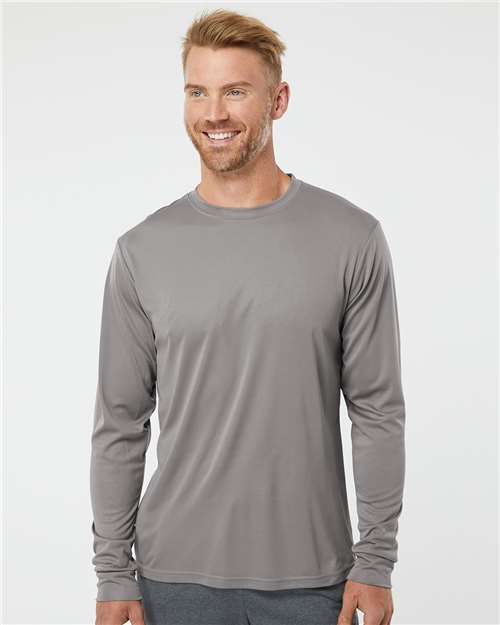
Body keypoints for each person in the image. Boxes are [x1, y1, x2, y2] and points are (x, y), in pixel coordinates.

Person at [90, 8, 406, 625]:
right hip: (171, 580)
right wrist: (112, 572)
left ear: (277, 100)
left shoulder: (351, 238)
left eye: (235, 91)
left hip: (315, 581)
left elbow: (376, 411)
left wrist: (375, 561)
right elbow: (120, 423)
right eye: (197, 92)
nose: (214, 113)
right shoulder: (142, 250)